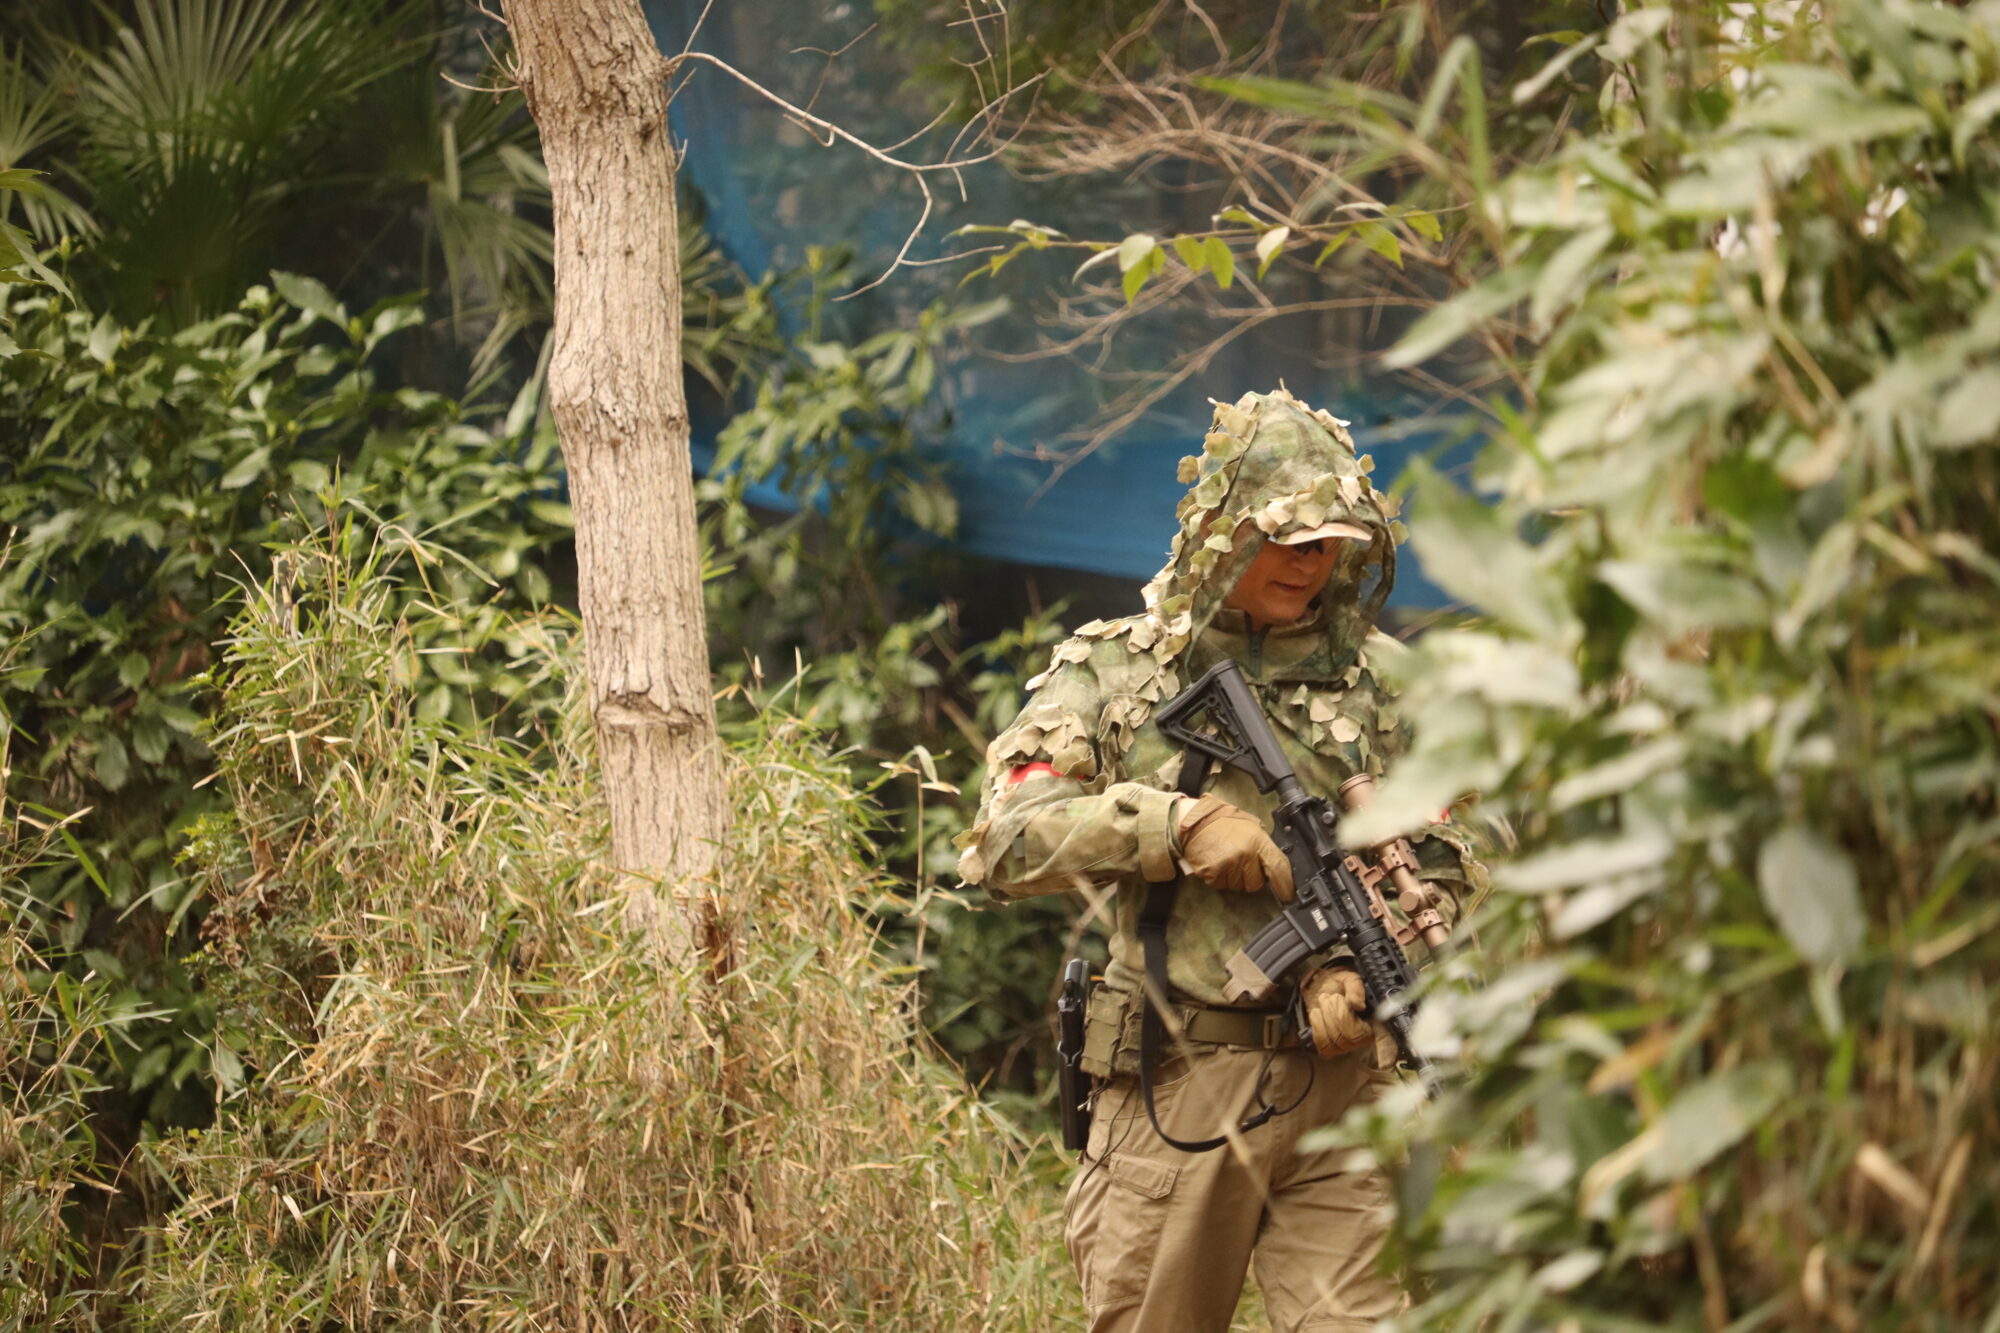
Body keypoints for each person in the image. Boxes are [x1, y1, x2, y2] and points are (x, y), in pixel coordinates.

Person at [954, 388, 1482, 1332]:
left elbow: (1454, 855)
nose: (1308, 563)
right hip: (1181, 1085)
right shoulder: (1119, 671)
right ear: (1224, 531)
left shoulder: (1382, 685)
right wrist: (1170, 826)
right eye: (1286, 538)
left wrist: (1363, 971)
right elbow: (1006, 838)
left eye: (1328, 543)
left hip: (1346, 1096)